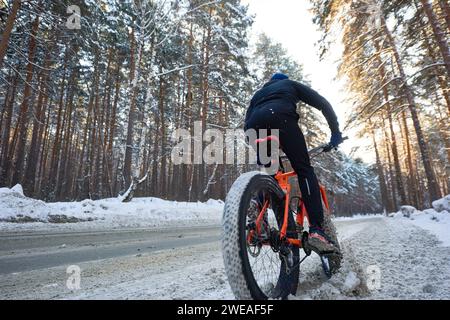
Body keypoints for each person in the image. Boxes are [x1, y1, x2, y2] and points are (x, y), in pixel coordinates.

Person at [244, 73, 344, 254]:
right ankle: (316, 231)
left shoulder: (259, 93)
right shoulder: (289, 84)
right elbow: (322, 103)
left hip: (254, 125)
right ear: (283, 80)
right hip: (280, 117)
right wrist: (335, 133)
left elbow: (247, 122)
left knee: (270, 174)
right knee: (304, 170)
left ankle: (258, 211)